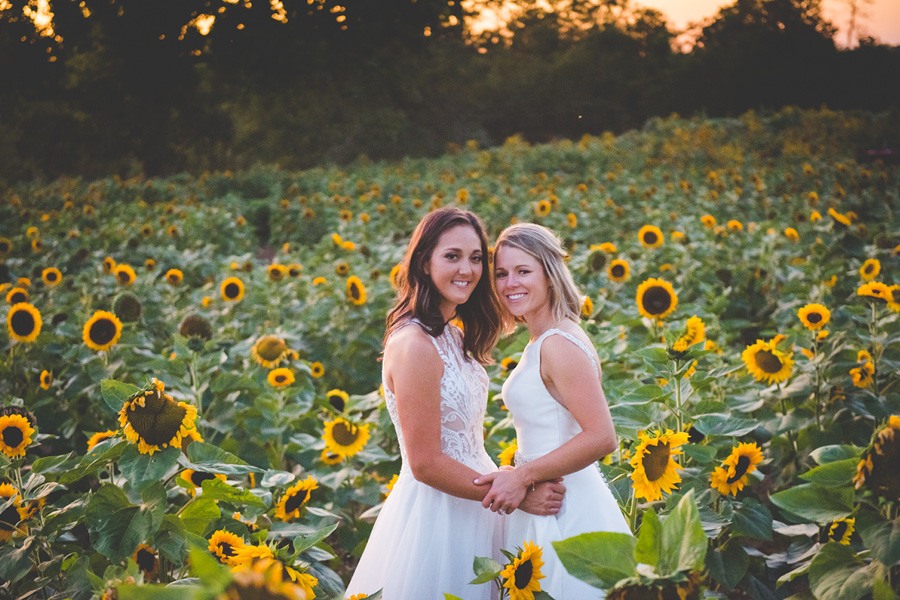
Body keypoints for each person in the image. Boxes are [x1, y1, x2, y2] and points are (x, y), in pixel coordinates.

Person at [345, 208, 566, 600]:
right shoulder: (414, 344)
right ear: (424, 262)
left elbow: (462, 437)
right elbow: (426, 461)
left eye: (476, 258)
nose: (467, 269)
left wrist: (504, 480)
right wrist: (514, 495)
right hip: (439, 515)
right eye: (452, 256)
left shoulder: (449, 334)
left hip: (477, 502)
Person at [474, 223, 631, 600]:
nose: (510, 282)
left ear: (549, 273)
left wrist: (522, 475)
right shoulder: (545, 338)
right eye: (501, 273)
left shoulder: (558, 344)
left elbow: (601, 436)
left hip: (565, 504)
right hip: (543, 494)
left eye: (523, 271)